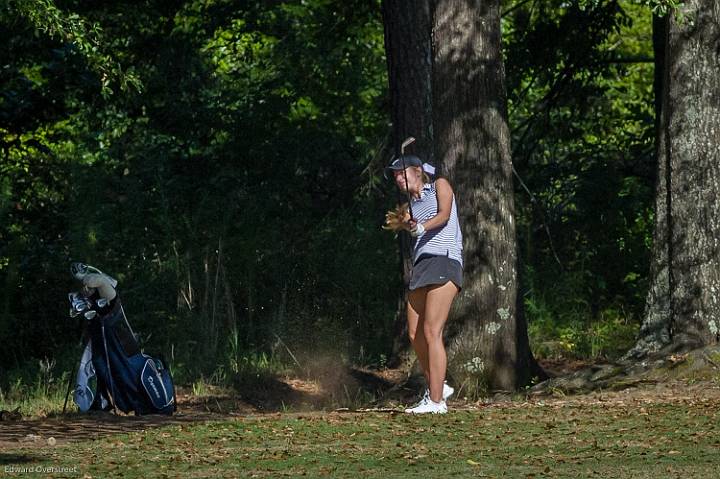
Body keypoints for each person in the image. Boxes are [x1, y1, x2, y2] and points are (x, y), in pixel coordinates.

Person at [385, 154, 463, 414]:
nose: (398, 178)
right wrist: (409, 224)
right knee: (415, 334)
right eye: (395, 175)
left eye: (402, 172)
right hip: (422, 267)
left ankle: (437, 402)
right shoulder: (410, 206)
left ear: (418, 171)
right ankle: (438, 386)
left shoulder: (439, 185)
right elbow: (410, 225)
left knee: (431, 332)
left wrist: (421, 228)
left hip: (444, 259)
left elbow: (443, 215)